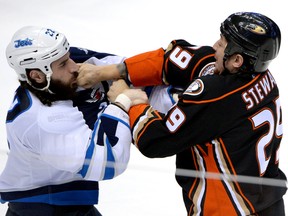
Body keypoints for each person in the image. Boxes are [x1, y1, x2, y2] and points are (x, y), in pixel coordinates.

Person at [78, 12, 287, 215]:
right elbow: (174, 59)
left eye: (222, 44)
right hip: (271, 203)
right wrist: (107, 72)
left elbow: (156, 140)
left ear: (237, 61)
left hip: (227, 209)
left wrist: (130, 100)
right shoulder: (263, 78)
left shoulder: (215, 95)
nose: (214, 46)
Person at [0, 26, 147, 216]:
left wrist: (107, 72)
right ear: (36, 75)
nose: (75, 67)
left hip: (55, 202)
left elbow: (118, 63)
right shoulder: (46, 120)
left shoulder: (46, 80)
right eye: (63, 64)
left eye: (68, 57)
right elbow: (108, 163)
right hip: (45, 209)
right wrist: (121, 102)